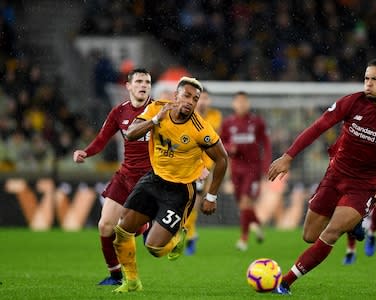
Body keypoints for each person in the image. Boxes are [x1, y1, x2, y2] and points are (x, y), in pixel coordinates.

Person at [267, 58, 376, 295]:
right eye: (366, 78)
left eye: (374, 79)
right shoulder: (352, 102)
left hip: (363, 185)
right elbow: (318, 126)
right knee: (309, 236)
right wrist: (288, 156)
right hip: (334, 175)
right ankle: (353, 226)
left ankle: (284, 283)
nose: (368, 84)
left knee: (330, 233)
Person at [112, 76, 228, 293]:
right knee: (122, 230)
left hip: (180, 190)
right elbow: (130, 134)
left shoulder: (200, 128)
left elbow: (223, 159)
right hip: (154, 179)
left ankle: (178, 235)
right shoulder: (157, 108)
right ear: (176, 96)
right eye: (186, 96)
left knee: (154, 249)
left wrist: (211, 196)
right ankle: (132, 281)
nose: (190, 102)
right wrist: (155, 120)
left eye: (195, 99)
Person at [73, 68, 153, 286]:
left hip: (149, 179)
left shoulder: (159, 111)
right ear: (128, 86)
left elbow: (178, 142)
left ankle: (145, 225)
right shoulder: (119, 112)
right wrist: (85, 152)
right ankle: (115, 276)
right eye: (138, 81)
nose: (143, 85)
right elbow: (101, 139)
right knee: (105, 226)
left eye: (147, 82)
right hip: (125, 175)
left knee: (129, 229)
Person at [220, 91, 272, 251]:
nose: (241, 105)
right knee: (243, 204)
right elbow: (220, 143)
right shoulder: (228, 123)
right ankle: (256, 223)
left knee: (245, 202)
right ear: (234, 104)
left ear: (248, 104)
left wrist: (266, 167)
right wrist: (230, 148)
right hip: (236, 169)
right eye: (238, 102)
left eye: (244, 102)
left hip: (252, 168)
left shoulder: (256, 122)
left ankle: (243, 239)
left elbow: (266, 144)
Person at [184, 88, 223, 255]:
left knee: (193, 202)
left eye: (206, 98)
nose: (204, 102)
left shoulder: (216, 117)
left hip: (207, 168)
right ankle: (190, 234)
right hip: (189, 166)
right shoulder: (187, 117)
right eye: (201, 99)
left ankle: (190, 234)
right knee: (190, 202)